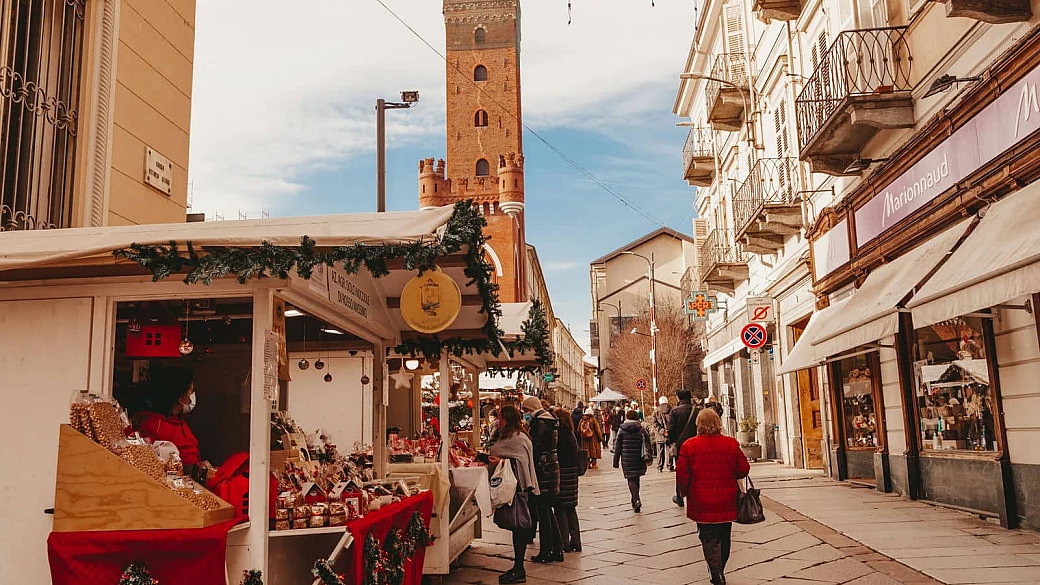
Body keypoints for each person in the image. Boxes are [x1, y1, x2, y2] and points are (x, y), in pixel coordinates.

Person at [675, 409, 750, 585]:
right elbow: (743, 469)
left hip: (701, 500)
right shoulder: (731, 444)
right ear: (718, 423)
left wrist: (685, 493)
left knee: (708, 537)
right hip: (727, 499)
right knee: (725, 537)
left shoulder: (689, 445)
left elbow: (682, 475)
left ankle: (716, 573)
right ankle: (720, 569)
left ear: (698, 425)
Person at [488, 405, 540, 584]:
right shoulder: (515, 435)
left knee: (519, 525)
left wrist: (501, 460)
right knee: (517, 527)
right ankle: (518, 567)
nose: (498, 421)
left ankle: (519, 569)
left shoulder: (517, 438)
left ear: (508, 419)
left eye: (501, 418)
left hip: (519, 488)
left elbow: (518, 461)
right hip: (518, 487)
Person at [135, 367, 204, 473]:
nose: (192, 396)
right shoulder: (152, 426)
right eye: (191, 391)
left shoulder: (178, 420)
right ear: (180, 396)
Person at [521, 395, 564, 563]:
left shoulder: (540, 423)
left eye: (525, 411)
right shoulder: (550, 420)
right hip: (551, 470)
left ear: (531, 409)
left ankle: (546, 551)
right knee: (547, 512)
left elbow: (535, 447)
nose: (524, 414)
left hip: (543, 472)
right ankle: (557, 548)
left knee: (543, 514)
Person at [553, 410, 582, 552]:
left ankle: (564, 542)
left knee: (560, 509)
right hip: (572, 474)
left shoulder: (559, 436)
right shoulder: (571, 434)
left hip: (562, 474)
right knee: (571, 509)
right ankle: (576, 541)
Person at [613, 409, 650, 512]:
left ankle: (636, 499)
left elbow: (617, 446)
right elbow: (648, 442)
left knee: (631, 479)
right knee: (636, 478)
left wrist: (615, 461)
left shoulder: (622, 429)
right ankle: (635, 499)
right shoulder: (641, 428)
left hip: (627, 458)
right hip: (639, 457)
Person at [668, 390, 700, 506]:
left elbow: (670, 429)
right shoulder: (697, 410)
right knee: (696, 470)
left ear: (679, 398)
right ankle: (696, 494)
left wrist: (672, 441)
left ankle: (679, 496)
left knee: (680, 470)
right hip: (696, 444)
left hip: (680, 445)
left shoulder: (675, 411)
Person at [651, 396, 672, 472]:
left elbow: (654, 423)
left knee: (660, 451)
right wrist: (668, 431)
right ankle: (670, 466)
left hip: (659, 435)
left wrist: (662, 431)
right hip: (670, 434)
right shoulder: (672, 410)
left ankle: (660, 467)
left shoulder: (656, 411)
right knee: (669, 450)